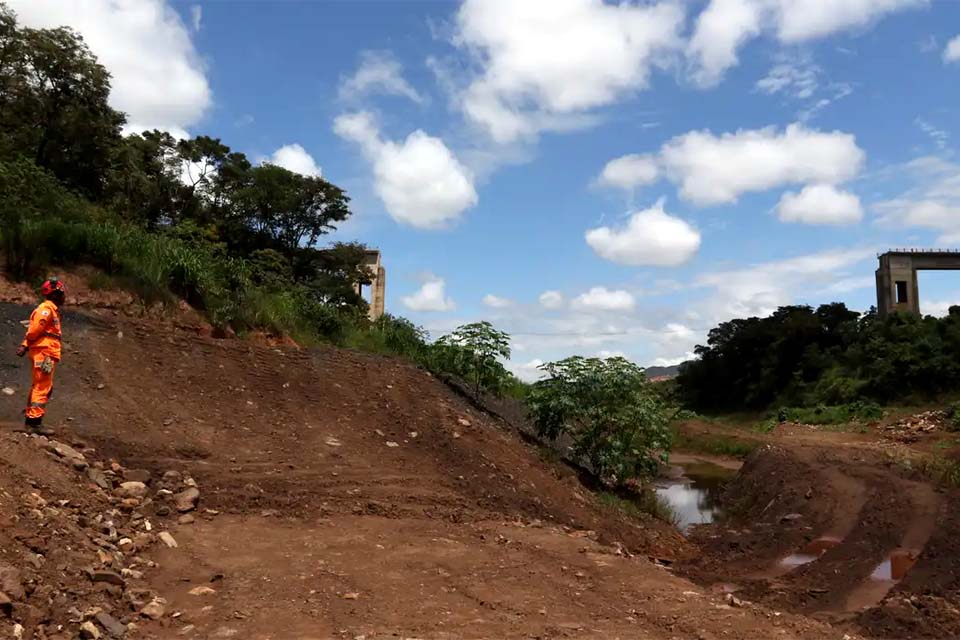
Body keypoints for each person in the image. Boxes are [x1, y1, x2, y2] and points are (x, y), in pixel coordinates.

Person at [16, 278, 65, 435]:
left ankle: (32, 420)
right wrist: (26, 343)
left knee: (40, 385)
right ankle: (34, 423)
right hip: (45, 352)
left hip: (46, 351)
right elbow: (34, 330)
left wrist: (25, 345)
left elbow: (35, 331)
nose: (64, 297)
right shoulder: (46, 309)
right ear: (55, 294)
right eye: (61, 293)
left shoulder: (51, 310)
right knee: (43, 386)